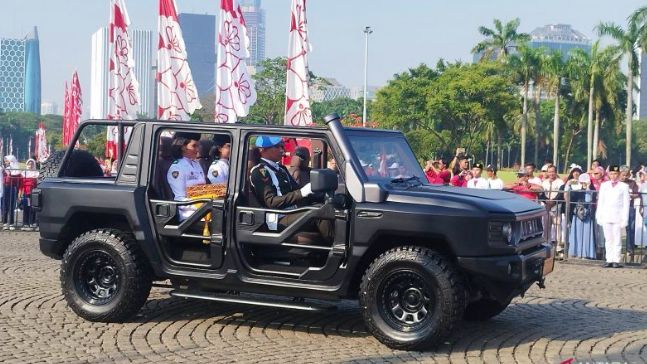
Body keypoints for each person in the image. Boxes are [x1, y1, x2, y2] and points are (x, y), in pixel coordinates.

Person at [249, 136, 331, 241]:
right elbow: (271, 202)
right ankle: (337, 250)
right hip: (277, 218)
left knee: (325, 207)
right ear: (262, 150)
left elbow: (295, 190)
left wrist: (317, 194)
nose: (282, 150)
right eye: (277, 147)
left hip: (292, 212)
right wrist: (302, 192)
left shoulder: (281, 169)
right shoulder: (260, 171)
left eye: (282, 146)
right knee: (319, 213)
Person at [167, 132, 207, 221]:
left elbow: (202, 189)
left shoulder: (196, 164)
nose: (197, 149)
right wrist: (201, 206)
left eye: (198, 146)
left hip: (204, 210)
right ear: (183, 147)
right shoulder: (177, 168)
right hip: (189, 217)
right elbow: (180, 199)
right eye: (194, 146)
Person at [596, 165, 630, 268]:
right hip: (606, 215)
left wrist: (625, 218)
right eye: (611, 173)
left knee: (617, 239)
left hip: (618, 216)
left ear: (619, 174)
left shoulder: (624, 186)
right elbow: (601, 201)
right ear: (608, 174)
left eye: (615, 173)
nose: (613, 176)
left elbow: (626, 204)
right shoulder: (604, 185)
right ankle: (609, 259)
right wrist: (599, 215)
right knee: (608, 239)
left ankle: (616, 260)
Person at [564, 167, 596, 259]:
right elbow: (567, 195)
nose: (583, 183)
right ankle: (576, 252)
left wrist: (588, 188)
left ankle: (586, 253)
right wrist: (568, 184)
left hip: (587, 214)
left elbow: (589, 200)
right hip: (576, 214)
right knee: (576, 233)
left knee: (586, 234)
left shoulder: (590, 188)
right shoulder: (575, 188)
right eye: (582, 181)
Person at [541, 165, 564, 246]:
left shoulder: (560, 182)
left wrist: (553, 202)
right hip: (546, 207)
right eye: (549, 172)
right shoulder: (544, 182)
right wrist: (546, 201)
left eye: (553, 171)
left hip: (556, 207)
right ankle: (547, 243)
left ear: (556, 172)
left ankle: (558, 245)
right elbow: (542, 194)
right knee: (546, 226)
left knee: (557, 226)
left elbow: (560, 194)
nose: (551, 173)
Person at [619, 165, 639, 256]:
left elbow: (636, 194)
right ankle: (617, 248)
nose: (624, 177)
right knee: (616, 228)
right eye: (623, 175)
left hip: (629, 207)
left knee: (630, 228)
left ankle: (629, 249)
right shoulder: (616, 183)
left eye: (626, 175)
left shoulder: (632, 183)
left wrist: (629, 195)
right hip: (617, 207)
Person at [2, 155, 21, 230]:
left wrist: (10, 174)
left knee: (11, 206)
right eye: (5, 161)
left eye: (7, 161)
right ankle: (5, 222)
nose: (5, 162)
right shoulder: (4, 169)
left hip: (12, 188)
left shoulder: (16, 169)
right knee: (5, 205)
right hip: (5, 187)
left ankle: (11, 223)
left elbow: (17, 180)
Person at [20, 159, 39, 231]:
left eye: (31, 164)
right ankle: (25, 223)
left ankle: (32, 222)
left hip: (33, 193)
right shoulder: (24, 173)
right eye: (29, 164)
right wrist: (20, 193)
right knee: (26, 208)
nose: (30, 166)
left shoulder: (36, 173)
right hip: (26, 193)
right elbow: (21, 185)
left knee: (32, 208)